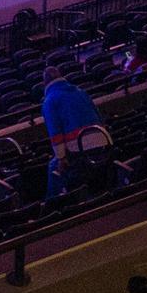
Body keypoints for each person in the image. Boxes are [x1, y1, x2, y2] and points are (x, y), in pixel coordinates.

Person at [41, 64, 103, 195]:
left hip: (79, 149)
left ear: (45, 83)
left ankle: (53, 206)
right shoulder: (80, 91)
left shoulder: (50, 101)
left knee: (54, 168)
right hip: (102, 141)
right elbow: (99, 117)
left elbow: (55, 133)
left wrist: (61, 157)